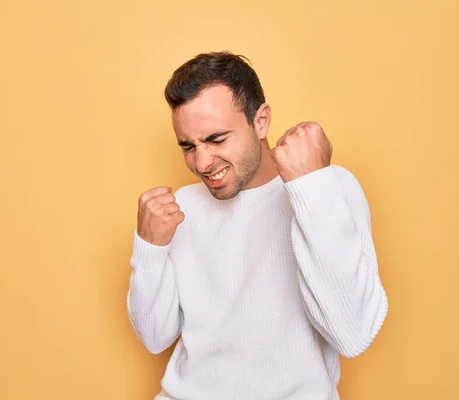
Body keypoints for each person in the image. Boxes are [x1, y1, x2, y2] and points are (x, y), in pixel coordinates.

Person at [126, 51, 388, 400]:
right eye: (189, 146)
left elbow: (352, 334)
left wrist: (311, 187)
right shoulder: (183, 208)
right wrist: (149, 249)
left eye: (217, 139)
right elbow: (155, 337)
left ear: (261, 120)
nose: (202, 162)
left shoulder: (326, 187)